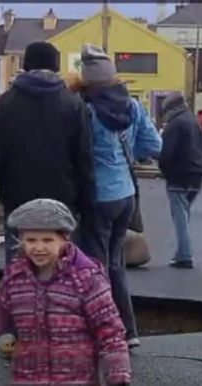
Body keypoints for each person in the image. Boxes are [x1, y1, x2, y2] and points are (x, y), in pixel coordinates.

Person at [0, 199, 131, 386]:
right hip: (27, 378)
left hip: (75, 379)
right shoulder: (16, 278)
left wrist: (117, 375)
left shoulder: (87, 278)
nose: (39, 248)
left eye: (47, 240)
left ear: (64, 239)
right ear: (21, 240)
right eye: (31, 240)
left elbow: (109, 330)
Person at [68, 44, 162, 348]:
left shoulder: (85, 110)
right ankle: (129, 331)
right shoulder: (133, 107)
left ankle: (104, 332)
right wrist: (128, 152)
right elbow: (155, 146)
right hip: (127, 196)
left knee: (95, 267)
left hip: (99, 197)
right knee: (116, 264)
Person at [0, 41, 95, 267]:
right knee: (61, 268)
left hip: (17, 198)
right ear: (55, 66)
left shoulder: (4, 105)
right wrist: (86, 203)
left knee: (18, 270)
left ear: (26, 66)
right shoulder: (74, 105)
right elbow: (83, 158)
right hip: (62, 199)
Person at [158, 92, 202, 269]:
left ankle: (185, 255)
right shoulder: (195, 122)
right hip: (197, 174)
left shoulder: (174, 125)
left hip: (179, 175)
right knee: (185, 215)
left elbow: (167, 154)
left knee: (180, 217)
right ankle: (181, 252)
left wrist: (164, 170)